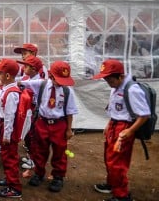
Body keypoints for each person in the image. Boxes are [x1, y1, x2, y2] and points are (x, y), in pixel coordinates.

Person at [92, 59, 150, 201]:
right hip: (114, 125)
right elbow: (116, 108)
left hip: (124, 128)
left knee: (117, 163)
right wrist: (109, 123)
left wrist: (130, 131)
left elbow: (144, 115)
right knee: (109, 157)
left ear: (120, 76)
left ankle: (121, 195)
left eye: (110, 79)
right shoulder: (116, 86)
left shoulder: (132, 89)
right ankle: (112, 184)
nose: (108, 82)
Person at [19, 61, 78, 193]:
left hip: (59, 124)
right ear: (50, 75)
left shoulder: (67, 91)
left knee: (60, 151)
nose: (61, 82)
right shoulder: (42, 84)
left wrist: (69, 129)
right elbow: (23, 82)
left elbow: (70, 112)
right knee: (39, 149)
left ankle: (58, 176)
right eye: (58, 79)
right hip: (43, 122)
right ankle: (38, 173)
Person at [0, 59, 22, 198]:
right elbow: (2, 96)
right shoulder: (9, 89)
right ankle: (9, 179)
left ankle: (14, 187)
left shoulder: (12, 93)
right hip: (6, 126)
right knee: (6, 155)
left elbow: (9, 116)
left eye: (0, 73)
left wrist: (7, 135)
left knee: (9, 157)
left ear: (7, 76)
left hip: (8, 128)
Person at [16, 56, 44, 177]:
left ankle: (33, 160)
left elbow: (23, 82)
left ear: (33, 69)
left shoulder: (39, 81)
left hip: (36, 112)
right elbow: (20, 80)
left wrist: (12, 80)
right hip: (29, 111)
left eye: (26, 66)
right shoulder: (27, 77)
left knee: (34, 136)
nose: (23, 68)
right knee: (29, 134)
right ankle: (30, 156)